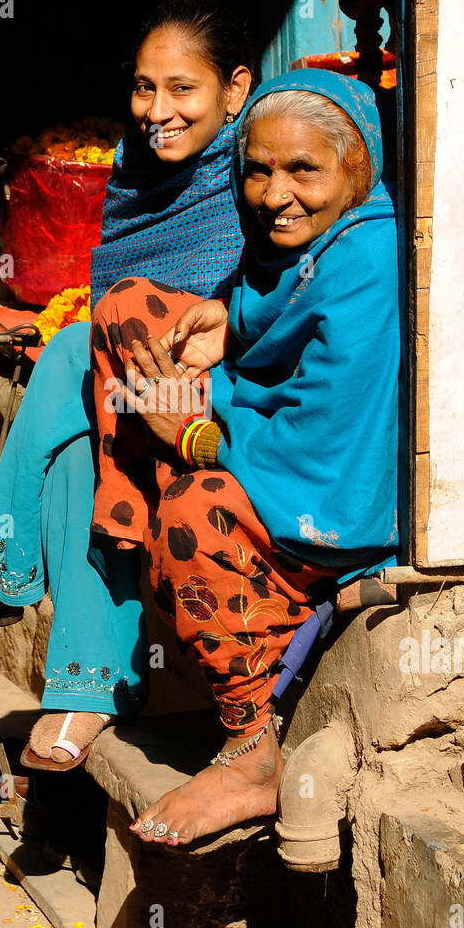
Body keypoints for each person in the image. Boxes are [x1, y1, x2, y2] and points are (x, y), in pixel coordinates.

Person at [0, 0, 254, 769]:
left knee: (74, 345)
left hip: (225, 405)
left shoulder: (259, 166)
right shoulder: (137, 174)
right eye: (144, 87)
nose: (157, 111)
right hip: (132, 388)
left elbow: (268, 310)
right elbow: (124, 306)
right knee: (78, 450)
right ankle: (83, 690)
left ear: (234, 92)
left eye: (183, 89)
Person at [86, 68, 400, 846]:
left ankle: (251, 747)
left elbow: (325, 447)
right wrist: (225, 318)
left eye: (303, 171)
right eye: (257, 169)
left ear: (355, 171)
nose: (273, 194)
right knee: (129, 311)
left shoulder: (365, 264)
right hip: (261, 442)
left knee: (192, 516)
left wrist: (192, 437)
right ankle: (137, 540)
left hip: (328, 501)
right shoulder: (289, 255)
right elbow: (271, 325)